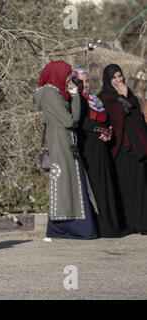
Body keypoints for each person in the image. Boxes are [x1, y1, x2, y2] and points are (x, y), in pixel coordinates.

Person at [33, 60, 98, 240]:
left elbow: (73, 120)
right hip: (58, 141)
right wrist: (71, 99)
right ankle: (63, 227)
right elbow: (69, 121)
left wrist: (74, 95)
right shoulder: (50, 94)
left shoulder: (59, 93)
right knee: (63, 182)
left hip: (67, 140)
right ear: (58, 74)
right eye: (68, 74)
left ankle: (75, 226)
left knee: (72, 181)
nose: (70, 78)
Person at [72, 68, 126, 237]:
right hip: (88, 148)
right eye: (80, 81)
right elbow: (81, 122)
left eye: (87, 81)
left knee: (107, 183)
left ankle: (113, 225)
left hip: (101, 146)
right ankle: (102, 227)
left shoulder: (94, 99)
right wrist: (100, 129)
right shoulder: (75, 99)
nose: (85, 85)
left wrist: (108, 130)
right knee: (96, 186)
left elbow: (106, 118)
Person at [97, 64, 147, 235]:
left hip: (136, 147)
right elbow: (115, 117)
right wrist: (122, 98)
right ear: (108, 80)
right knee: (123, 187)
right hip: (119, 149)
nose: (118, 81)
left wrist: (126, 98)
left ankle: (141, 223)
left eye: (120, 77)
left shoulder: (129, 94)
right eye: (114, 78)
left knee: (139, 186)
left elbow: (137, 116)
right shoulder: (104, 97)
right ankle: (127, 223)